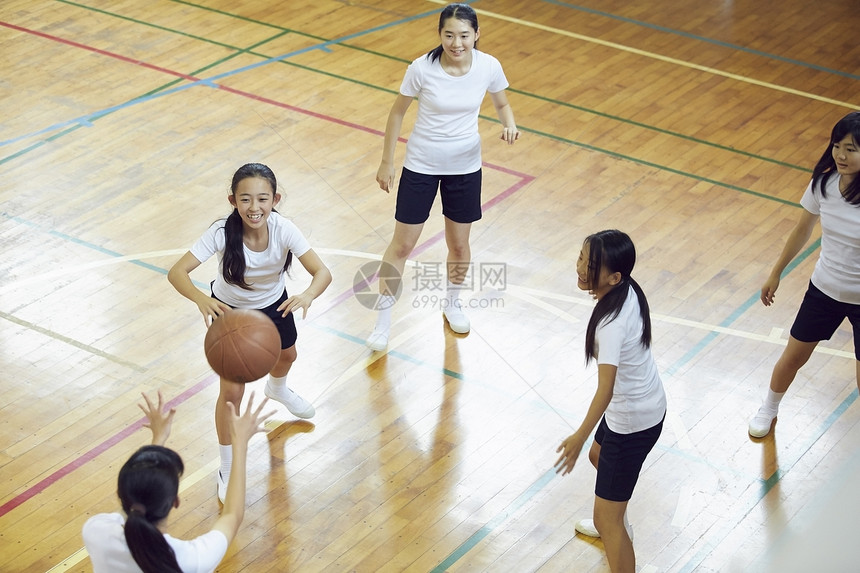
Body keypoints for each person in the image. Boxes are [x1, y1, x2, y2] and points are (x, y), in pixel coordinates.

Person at [168, 162, 332, 502]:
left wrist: (307, 294)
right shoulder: (220, 233)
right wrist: (201, 299)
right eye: (245, 199)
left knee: (288, 355)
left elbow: (322, 272)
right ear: (233, 200)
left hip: (275, 304)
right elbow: (177, 272)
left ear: (275, 199)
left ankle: (277, 389)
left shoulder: (284, 229)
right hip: (230, 313)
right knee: (232, 395)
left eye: (262, 199)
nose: (254, 207)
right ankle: (227, 468)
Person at [366, 2, 520, 351]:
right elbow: (396, 114)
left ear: (476, 35)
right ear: (440, 35)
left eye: (464, 35)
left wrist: (509, 124)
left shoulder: (488, 66)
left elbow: (502, 103)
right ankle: (382, 321)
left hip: (465, 168)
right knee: (402, 245)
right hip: (421, 165)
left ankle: (452, 302)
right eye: (449, 35)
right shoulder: (421, 69)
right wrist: (387, 162)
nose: (456, 43)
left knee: (459, 245)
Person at [554, 230, 666, 573]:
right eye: (582, 257)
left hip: (633, 423)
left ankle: (615, 527)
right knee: (597, 455)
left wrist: (578, 436)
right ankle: (618, 523)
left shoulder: (611, 324)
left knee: (606, 520)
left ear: (614, 276)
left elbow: (605, 389)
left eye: (591, 264)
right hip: (643, 406)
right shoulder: (627, 289)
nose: (581, 267)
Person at [749, 111, 860, 438]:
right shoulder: (822, 186)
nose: (841, 155)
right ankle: (769, 408)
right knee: (793, 356)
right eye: (837, 146)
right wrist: (776, 272)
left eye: (852, 149)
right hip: (824, 290)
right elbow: (801, 230)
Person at [83, 390, 273, 572]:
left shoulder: (96, 531)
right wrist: (239, 443)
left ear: (119, 493)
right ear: (175, 502)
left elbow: (137, 494)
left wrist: (158, 438)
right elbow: (232, 515)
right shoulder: (192, 559)